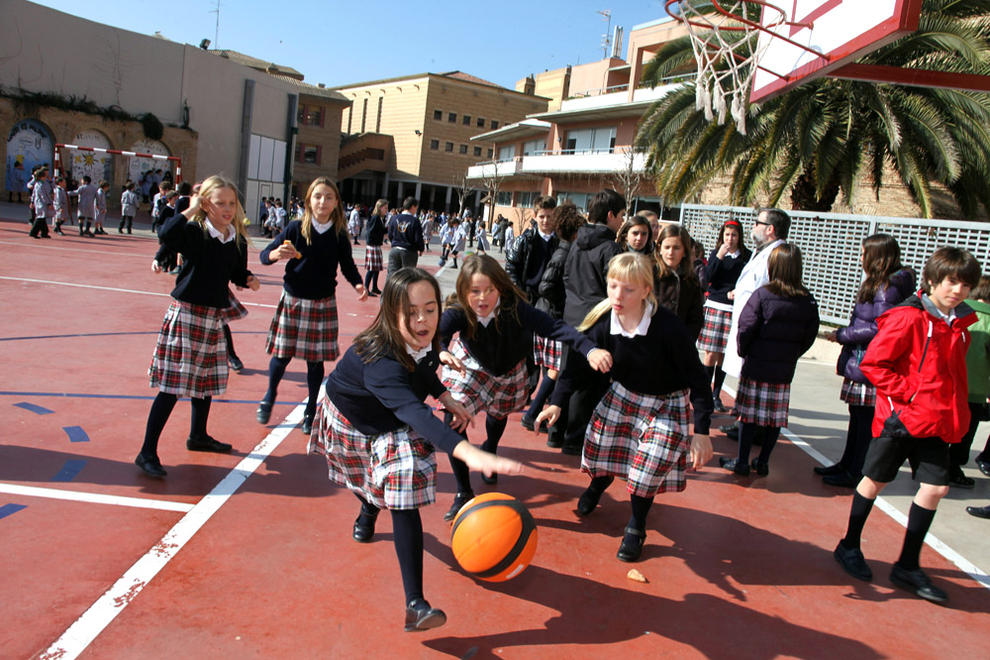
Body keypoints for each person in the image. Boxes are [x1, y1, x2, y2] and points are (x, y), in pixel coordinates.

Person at [310, 267, 522, 632]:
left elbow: (424, 363)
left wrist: (444, 395)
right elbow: (413, 412)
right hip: (352, 419)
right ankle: (367, 507)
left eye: (430, 308)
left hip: (390, 418)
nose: (422, 319)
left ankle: (415, 605)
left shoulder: (424, 336)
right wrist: (466, 451)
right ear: (391, 313)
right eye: (411, 311)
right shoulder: (379, 361)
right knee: (373, 483)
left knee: (402, 482)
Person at [538, 252, 714, 562]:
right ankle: (598, 485)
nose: (618, 295)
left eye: (629, 289)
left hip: (665, 403)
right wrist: (557, 404)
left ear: (647, 290)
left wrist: (701, 430)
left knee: (647, 467)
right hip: (623, 395)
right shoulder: (604, 321)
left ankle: (636, 525)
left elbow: (698, 379)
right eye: (613, 286)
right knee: (604, 453)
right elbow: (574, 367)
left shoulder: (668, 328)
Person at [833, 246, 981, 604]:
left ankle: (907, 565)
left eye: (965, 284)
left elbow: (955, 376)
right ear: (932, 280)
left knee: (936, 488)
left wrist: (956, 412)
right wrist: (910, 396)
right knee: (875, 481)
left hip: (935, 421)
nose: (958, 290)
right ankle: (849, 545)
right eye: (951, 282)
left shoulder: (960, 323)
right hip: (901, 420)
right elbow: (874, 364)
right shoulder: (910, 317)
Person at [438, 254, 611, 520]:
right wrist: (441, 351)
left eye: (489, 291)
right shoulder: (460, 311)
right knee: (453, 416)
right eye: (474, 291)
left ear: (500, 288)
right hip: (470, 366)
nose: (482, 298)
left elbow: (555, 328)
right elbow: (439, 333)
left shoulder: (515, 308)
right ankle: (463, 491)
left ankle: (491, 446)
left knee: (497, 415)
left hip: (508, 370)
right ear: (463, 291)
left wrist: (588, 349)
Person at [136, 175, 260, 478]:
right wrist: (190, 210)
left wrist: (248, 279)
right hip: (188, 313)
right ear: (206, 203)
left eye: (232, 203)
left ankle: (198, 435)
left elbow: (235, 271)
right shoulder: (195, 232)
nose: (228, 209)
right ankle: (146, 451)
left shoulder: (235, 237)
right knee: (173, 385)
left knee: (205, 381)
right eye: (220, 203)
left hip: (213, 315)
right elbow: (166, 233)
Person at [257, 177, 368, 435]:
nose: (323, 201)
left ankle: (310, 410)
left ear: (336, 202)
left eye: (329, 197)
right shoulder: (296, 228)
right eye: (318, 196)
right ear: (309, 200)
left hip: (322, 301)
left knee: (315, 361)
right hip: (294, 298)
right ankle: (269, 395)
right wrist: (274, 255)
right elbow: (266, 255)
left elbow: (348, 264)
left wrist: (358, 284)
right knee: (282, 355)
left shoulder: (339, 233)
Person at [820, 235, 915, 487]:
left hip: (871, 361)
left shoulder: (888, 287)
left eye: (864, 254)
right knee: (857, 416)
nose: (860, 259)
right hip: (863, 359)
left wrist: (842, 335)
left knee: (864, 421)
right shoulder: (882, 284)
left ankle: (856, 471)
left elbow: (881, 327)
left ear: (876, 256)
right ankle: (847, 463)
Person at [719, 243, 820, 476]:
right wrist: (792, 354)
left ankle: (742, 461)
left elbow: (746, 326)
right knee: (775, 418)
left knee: (748, 415)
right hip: (783, 370)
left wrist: (744, 352)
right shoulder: (807, 300)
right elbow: (810, 335)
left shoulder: (762, 295)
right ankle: (763, 461)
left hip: (756, 365)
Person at [555, 189, 627, 456]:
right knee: (588, 385)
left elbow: (565, 279)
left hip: (571, 316)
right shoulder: (610, 248)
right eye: (620, 216)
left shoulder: (576, 242)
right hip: (597, 320)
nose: (622, 221)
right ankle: (574, 439)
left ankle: (556, 433)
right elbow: (616, 288)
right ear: (610, 215)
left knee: (567, 376)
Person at [720, 209, 789, 438]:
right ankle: (743, 422)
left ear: (770, 229)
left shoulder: (777, 255)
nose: (753, 227)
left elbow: (771, 292)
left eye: (757, 223)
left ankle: (752, 429)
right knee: (745, 378)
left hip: (758, 330)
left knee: (754, 383)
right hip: (746, 324)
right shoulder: (763, 252)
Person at [521, 203, 586, 437]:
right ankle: (531, 414)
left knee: (555, 369)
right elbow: (546, 285)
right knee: (556, 369)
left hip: (549, 315)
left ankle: (534, 413)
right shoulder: (564, 252)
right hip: (551, 316)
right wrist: (562, 305)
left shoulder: (564, 249)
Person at [698, 219, 751, 412]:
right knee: (710, 353)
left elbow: (748, 281)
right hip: (715, 306)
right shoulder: (716, 253)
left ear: (740, 237)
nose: (730, 239)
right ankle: (703, 392)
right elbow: (708, 279)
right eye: (727, 235)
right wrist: (719, 256)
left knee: (723, 354)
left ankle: (716, 393)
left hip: (733, 309)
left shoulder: (746, 257)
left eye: (734, 235)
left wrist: (738, 292)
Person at [950, 275, 990, 488]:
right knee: (964, 432)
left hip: (948, 384)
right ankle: (953, 467)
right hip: (974, 389)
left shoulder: (958, 312)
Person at [654, 224, 704, 341]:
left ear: (685, 251)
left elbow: (695, 318)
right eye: (667, 247)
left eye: (676, 248)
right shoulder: (649, 274)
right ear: (659, 249)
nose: (671, 252)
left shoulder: (691, 280)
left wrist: (685, 342)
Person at [506, 196, 559, 303]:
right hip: (527, 297)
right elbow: (511, 268)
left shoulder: (561, 242)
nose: (546, 220)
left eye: (549, 216)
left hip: (551, 301)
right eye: (542, 216)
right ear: (535, 216)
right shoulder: (524, 240)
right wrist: (519, 292)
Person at [387, 197, 424, 276]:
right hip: (408, 251)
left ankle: (389, 288)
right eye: (416, 208)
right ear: (413, 207)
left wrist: (394, 243)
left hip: (395, 249)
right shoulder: (414, 221)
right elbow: (418, 238)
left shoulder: (394, 218)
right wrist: (421, 248)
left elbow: (390, 234)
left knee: (391, 274)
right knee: (407, 276)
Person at [364, 198, 388, 296]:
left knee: (376, 268)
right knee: (372, 268)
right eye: (385, 208)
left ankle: (374, 287)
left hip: (376, 245)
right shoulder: (376, 218)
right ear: (380, 207)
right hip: (373, 245)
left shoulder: (378, 218)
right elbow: (370, 232)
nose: (386, 210)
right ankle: (366, 288)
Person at [29, 167, 53, 239]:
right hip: (41, 203)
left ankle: (44, 232)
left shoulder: (42, 183)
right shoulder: (39, 185)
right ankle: (33, 232)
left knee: (42, 217)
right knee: (40, 217)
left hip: (42, 202)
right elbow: (43, 195)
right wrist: (48, 203)